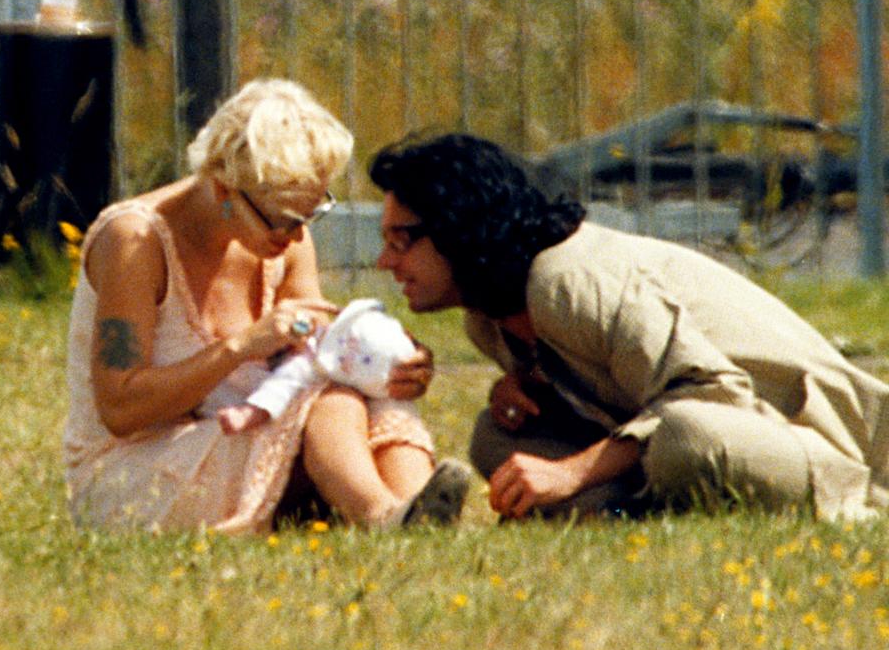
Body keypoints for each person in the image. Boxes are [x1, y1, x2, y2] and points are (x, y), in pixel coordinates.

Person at [369, 132, 889, 522]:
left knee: (687, 436)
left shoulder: (565, 279)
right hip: (692, 443)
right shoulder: (488, 321)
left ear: (458, 228)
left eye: (401, 241)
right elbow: (619, 391)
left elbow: (714, 395)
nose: (384, 263)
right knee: (495, 436)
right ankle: (619, 517)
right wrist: (530, 389)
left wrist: (570, 474)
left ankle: (611, 506)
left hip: (813, 442)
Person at [63, 79, 469, 534]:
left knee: (360, 389)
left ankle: (418, 511)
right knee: (328, 401)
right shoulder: (134, 242)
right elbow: (120, 411)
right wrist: (242, 346)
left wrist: (392, 363)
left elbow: (316, 360)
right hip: (133, 471)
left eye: (312, 215)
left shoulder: (282, 237)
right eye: (285, 221)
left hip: (240, 437)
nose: (297, 237)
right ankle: (385, 516)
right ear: (222, 189)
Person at [208, 298, 419, 428]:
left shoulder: (306, 365)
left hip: (225, 401)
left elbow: (279, 388)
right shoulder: (317, 338)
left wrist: (249, 414)